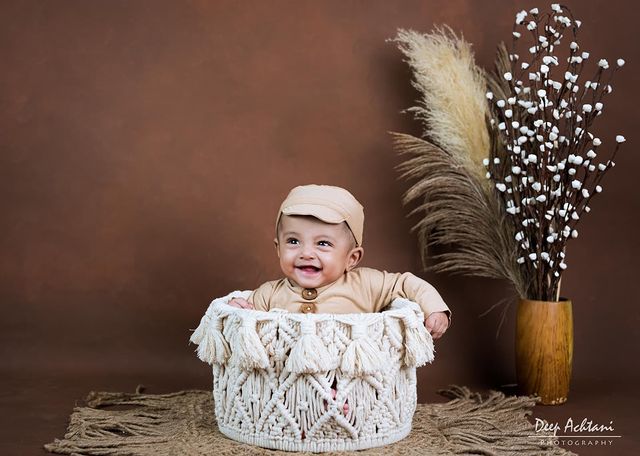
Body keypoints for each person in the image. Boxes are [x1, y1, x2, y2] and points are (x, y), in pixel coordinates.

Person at [228, 184, 451, 340]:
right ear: (278, 249)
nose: (306, 253)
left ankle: (338, 401)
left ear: (351, 258)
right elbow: (246, 321)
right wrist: (236, 308)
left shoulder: (365, 285)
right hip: (291, 381)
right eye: (294, 241)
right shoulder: (269, 294)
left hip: (349, 375)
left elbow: (406, 284)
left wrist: (435, 310)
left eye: (323, 244)